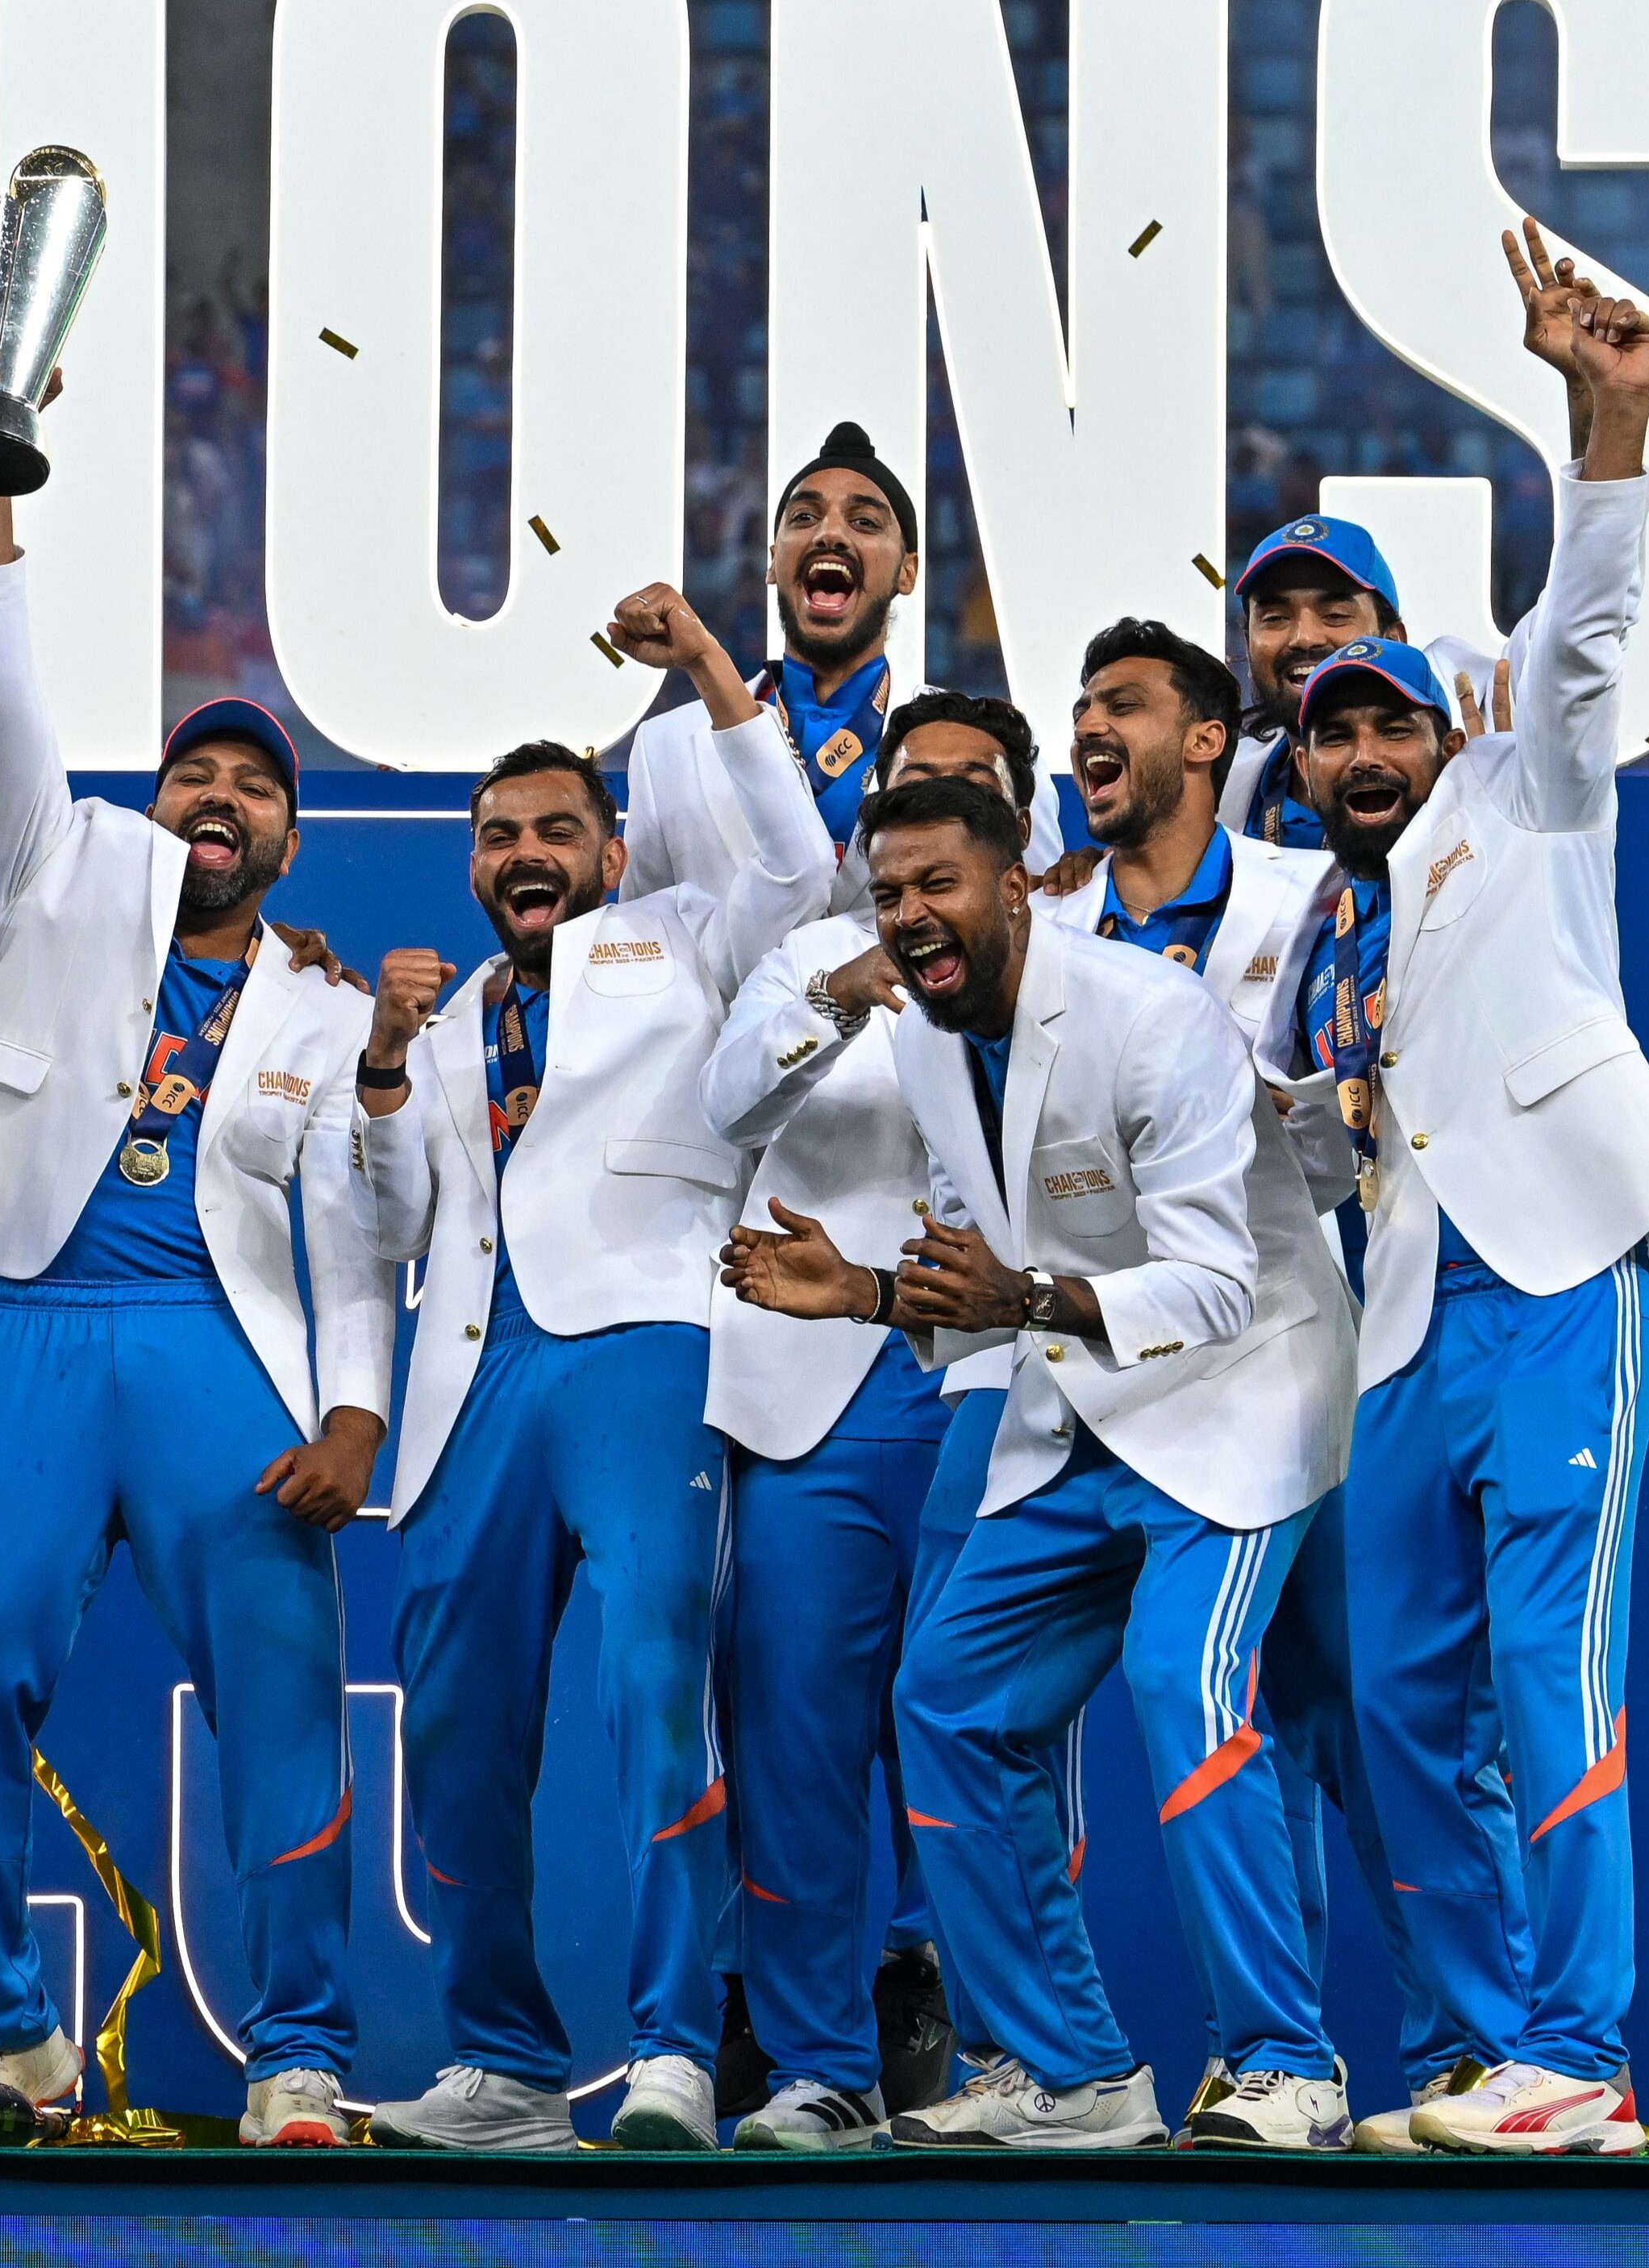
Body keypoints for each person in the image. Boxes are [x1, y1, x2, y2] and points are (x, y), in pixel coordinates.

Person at [0, 322, 395, 2149]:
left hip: (216, 1349)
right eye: (198, 774)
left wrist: (356, 1414)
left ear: (291, 836)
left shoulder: (330, 1008)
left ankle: (300, 2049)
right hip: (25, 1320)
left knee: (280, 1698)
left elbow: (356, 1234)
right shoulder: (65, 864)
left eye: (258, 785)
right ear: (158, 800)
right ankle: (6, 2034)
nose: (222, 797)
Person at [725, 772, 1355, 2152]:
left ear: (1015, 887)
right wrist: (870, 1295)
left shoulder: (1154, 1016)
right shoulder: (930, 1040)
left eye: (937, 883)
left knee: (1182, 1677)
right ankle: (1076, 2071)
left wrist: (1023, 1297)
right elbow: (991, 1269)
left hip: (1244, 1393)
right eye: (889, 894)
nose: (909, 916)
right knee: (948, 1699)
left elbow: (1217, 1286)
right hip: (1082, 1400)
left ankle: (1286, 2061)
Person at [1260, 273, 1649, 2154]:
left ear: (1444, 725)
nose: (1361, 751)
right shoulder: (1313, 931)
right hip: (1406, 1319)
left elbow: (1584, 624)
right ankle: (1473, 2051)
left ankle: (1577, 2050)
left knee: (1546, 1662)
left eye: (1388, 719)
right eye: (1328, 733)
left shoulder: (1530, 800)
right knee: (1397, 1692)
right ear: (1297, 762)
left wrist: (1608, 419)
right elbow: (1325, 1153)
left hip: (1558, 1273)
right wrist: (1314, 1117)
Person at [352, 597, 834, 2154]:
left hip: (643, 1344)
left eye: (557, 828)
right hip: (473, 1383)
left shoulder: (684, 935)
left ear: (611, 849)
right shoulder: (448, 1021)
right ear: (473, 865)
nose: (526, 853)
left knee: (654, 1689)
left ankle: (675, 2046)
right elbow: (392, 1220)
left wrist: (707, 672)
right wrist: (378, 1071)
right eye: (499, 835)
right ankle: (501, 2059)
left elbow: (802, 873)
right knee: (458, 1725)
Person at [1037, 616, 1506, 2148]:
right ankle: (1283, 2058)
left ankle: (1477, 2053)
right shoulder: (1053, 928)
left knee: (1383, 1715)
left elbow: (1380, 1103)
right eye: (1082, 705)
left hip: (1308, 1354)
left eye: (1123, 701)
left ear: (1212, 739)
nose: (1091, 727)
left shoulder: (1317, 893)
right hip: (1138, 1388)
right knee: (1283, 1709)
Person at [694, 689, 1042, 2149]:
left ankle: (1019, 2060)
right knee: (795, 1741)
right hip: (814, 1398)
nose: (938, 806)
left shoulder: (1068, 955)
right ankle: (818, 2064)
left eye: (972, 786)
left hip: (1000, 1381)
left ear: (1017, 825)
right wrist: (846, 988)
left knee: (995, 1733)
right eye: (914, 785)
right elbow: (724, 1105)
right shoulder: (808, 952)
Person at [1217, 223, 1608, 853]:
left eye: (1336, 613)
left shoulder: (1480, 724)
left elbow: (1583, 619)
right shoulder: (1227, 790)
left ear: (1395, 637)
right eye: (1275, 615)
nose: (1304, 636)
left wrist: (1601, 408)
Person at [622, 422, 1056, 913]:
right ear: (772, 561)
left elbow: (1034, 921)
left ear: (908, 571)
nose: (829, 533)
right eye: (805, 517)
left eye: (865, 522)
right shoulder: (667, 749)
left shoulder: (985, 746)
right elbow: (649, 940)